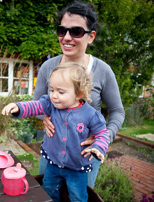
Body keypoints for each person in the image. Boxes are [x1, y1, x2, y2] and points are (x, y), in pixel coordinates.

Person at [33, 1, 125, 189]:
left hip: (85, 158)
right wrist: (44, 117)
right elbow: (37, 104)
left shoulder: (103, 71)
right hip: (52, 155)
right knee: (48, 196)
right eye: (62, 30)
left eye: (75, 31)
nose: (66, 37)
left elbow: (117, 112)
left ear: (90, 36)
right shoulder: (48, 67)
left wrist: (104, 137)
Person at [2, 62, 109, 202]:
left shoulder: (91, 115)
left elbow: (102, 134)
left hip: (77, 168)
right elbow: (35, 106)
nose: (54, 96)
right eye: (51, 90)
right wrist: (18, 106)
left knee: (78, 197)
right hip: (53, 163)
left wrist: (98, 147)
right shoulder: (51, 105)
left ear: (79, 93)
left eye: (61, 92)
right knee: (48, 191)